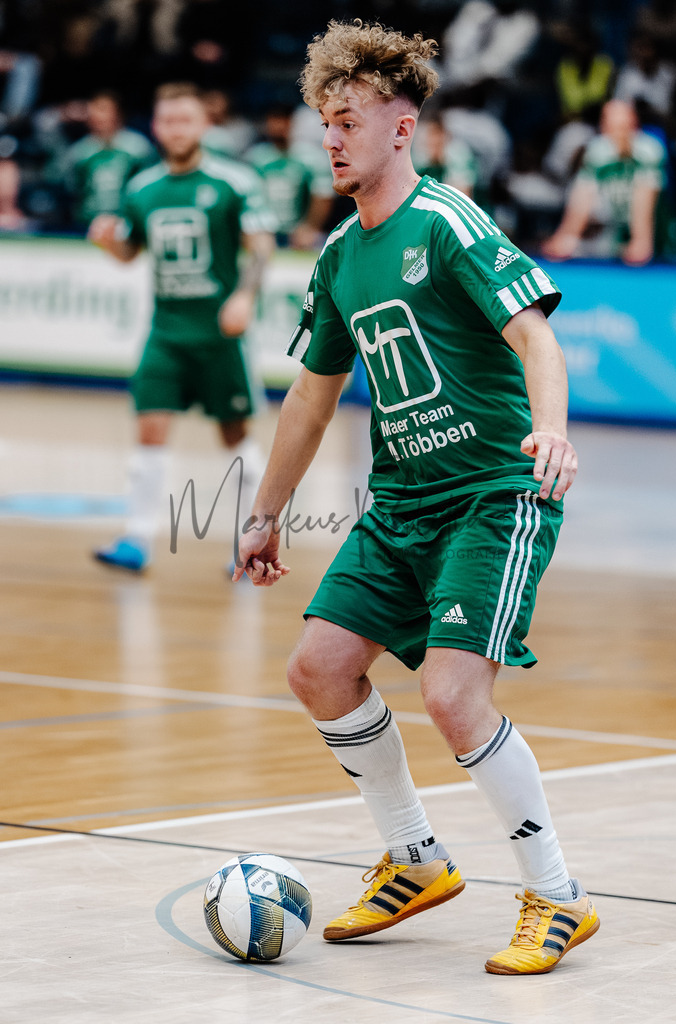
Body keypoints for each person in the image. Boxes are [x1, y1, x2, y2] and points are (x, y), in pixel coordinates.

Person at [235, 20, 599, 976]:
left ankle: (556, 896)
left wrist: (550, 429)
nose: (331, 138)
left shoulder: (446, 222)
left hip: (492, 492)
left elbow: (535, 337)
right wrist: (266, 511)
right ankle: (415, 858)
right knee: (317, 668)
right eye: (323, 121)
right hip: (401, 501)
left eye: (348, 119)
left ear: (402, 127)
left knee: (449, 693)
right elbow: (310, 398)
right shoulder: (336, 258)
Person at [90, 82, 274, 572]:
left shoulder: (234, 182)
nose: (176, 130)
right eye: (167, 121)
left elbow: (261, 245)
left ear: (204, 125)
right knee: (149, 428)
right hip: (166, 334)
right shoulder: (142, 188)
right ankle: (136, 539)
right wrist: (110, 244)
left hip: (220, 336)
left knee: (235, 438)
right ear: (155, 127)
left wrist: (243, 297)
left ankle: (249, 539)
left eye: (185, 120)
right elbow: (131, 252)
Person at [542, 99, 667, 266]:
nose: (619, 134)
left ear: (634, 125)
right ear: (604, 127)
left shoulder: (650, 150)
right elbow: (583, 195)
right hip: (614, 224)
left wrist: (641, 240)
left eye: (624, 127)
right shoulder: (597, 151)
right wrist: (567, 236)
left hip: (658, 228)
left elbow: (644, 198)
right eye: (613, 127)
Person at [246, 102, 335, 249]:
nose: (278, 126)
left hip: (298, 232)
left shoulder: (311, 158)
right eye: (273, 120)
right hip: (265, 230)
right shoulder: (256, 157)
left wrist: (310, 227)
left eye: (284, 120)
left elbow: (323, 195)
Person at [62, 91, 156, 227]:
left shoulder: (138, 147)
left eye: (104, 110)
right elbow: (72, 187)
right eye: (95, 111)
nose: (99, 116)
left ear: (117, 113)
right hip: (86, 222)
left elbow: (146, 185)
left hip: (128, 221)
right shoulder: (79, 151)